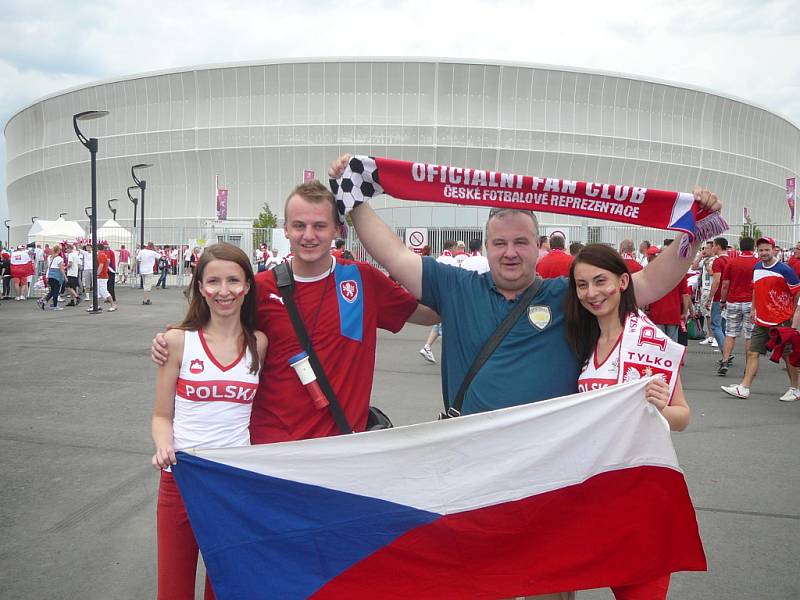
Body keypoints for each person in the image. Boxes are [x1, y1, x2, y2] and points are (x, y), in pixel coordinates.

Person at [332, 153, 721, 415]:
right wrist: (354, 196)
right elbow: (395, 255)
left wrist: (697, 231)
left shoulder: (569, 295)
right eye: (500, 243)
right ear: (485, 246)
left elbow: (651, 281)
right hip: (470, 455)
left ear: (539, 246)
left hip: (548, 465)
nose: (510, 252)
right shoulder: (457, 287)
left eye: (521, 242)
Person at [152, 180, 437, 445]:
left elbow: (426, 314)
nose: (308, 236)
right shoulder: (261, 287)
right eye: (299, 225)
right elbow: (215, 332)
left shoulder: (362, 281)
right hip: (272, 449)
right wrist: (173, 340)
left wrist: (468, 295)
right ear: (285, 229)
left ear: (338, 230)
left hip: (339, 448)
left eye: (319, 226)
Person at [566, 244, 690, 600]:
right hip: (595, 493)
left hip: (642, 496)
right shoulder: (583, 340)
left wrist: (659, 408)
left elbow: (681, 417)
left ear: (622, 282)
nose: (592, 293)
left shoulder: (648, 341)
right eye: (582, 284)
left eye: (600, 281)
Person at [151, 242, 268, 600]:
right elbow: (160, 415)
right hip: (182, 478)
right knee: (173, 588)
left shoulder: (259, 343)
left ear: (247, 285)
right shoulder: (177, 341)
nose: (224, 291)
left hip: (234, 481)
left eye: (233, 280)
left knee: (225, 586)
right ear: (200, 286)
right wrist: (163, 446)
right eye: (213, 281)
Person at [722, 237, 800, 401]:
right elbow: (756, 290)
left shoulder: (785, 270)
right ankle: (744, 387)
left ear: (774, 250)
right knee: (753, 353)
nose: (764, 253)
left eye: (767, 249)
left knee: (787, 355)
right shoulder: (757, 267)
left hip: (781, 320)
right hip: (761, 319)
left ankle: (794, 388)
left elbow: (796, 291)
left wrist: (792, 314)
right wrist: (753, 309)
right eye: (761, 250)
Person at [717, 237, 759, 375]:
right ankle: (749, 366)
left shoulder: (732, 262)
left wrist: (723, 301)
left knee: (730, 333)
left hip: (733, 300)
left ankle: (724, 360)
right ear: (753, 247)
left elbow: (725, 284)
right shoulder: (757, 263)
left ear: (740, 247)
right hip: (751, 302)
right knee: (749, 335)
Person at [705, 237, 730, 352]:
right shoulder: (731, 260)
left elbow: (716, 281)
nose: (713, 248)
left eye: (714, 246)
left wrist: (709, 298)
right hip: (729, 296)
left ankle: (726, 353)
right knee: (724, 325)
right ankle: (726, 352)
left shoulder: (718, 261)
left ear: (718, 246)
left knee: (716, 325)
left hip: (719, 297)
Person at [38, 244, 66, 310]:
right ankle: (55, 305)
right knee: (56, 291)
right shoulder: (59, 258)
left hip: (50, 275)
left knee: (52, 291)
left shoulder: (50, 257)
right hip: (57, 276)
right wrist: (65, 276)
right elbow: (61, 268)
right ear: (58, 251)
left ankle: (45, 301)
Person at [96, 243, 118, 312]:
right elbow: (108, 261)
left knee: (104, 291)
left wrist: (97, 274)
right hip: (102, 275)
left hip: (102, 276)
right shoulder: (103, 254)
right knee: (98, 291)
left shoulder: (101, 255)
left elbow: (101, 265)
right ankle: (96, 305)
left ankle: (113, 305)